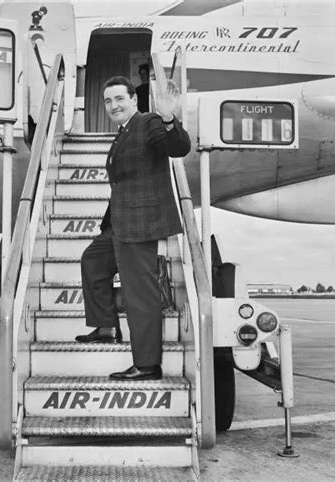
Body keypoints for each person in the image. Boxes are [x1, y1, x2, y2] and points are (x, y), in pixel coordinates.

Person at [75, 76, 191, 381]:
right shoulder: (123, 133)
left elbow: (178, 146)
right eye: (108, 101)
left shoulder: (149, 122)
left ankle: (148, 364)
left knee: (140, 293)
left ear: (133, 100)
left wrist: (168, 117)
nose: (114, 106)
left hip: (140, 223)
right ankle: (106, 327)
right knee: (92, 262)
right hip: (119, 223)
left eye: (119, 99)